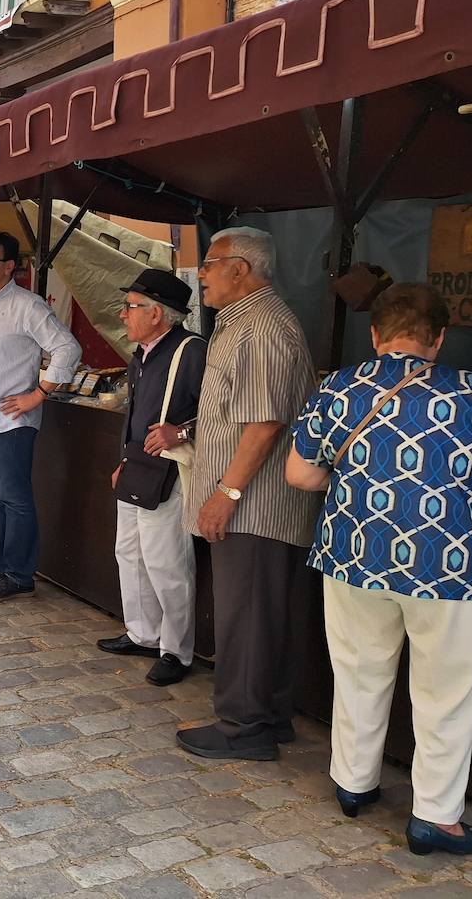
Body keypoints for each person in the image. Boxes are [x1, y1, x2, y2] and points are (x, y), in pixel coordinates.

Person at [288, 283, 472, 855]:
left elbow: (300, 475)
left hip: (354, 553)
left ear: (374, 334)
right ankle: (434, 817)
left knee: (359, 671)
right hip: (451, 566)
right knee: (445, 692)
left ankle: (353, 783)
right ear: (439, 338)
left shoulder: (337, 388)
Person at [176, 226, 319, 762]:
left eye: (210, 265)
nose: (202, 275)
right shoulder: (243, 323)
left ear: (240, 268)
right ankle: (268, 717)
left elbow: (266, 423)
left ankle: (244, 727)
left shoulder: (261, 326)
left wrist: (227, 492)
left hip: (256, 505)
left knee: (248, 616)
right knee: (263, 614)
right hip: (254, 502)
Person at [0, 232, 82, 602]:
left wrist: (39, 394)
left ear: (10, 265)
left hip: (12, 420)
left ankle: (19, 573)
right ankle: (2, 564)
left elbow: (67, 348)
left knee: (15, 498)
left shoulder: (27, 306)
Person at [99, 269, 204, 687]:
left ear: (157, 313)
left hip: (171, 470)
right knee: (129, 553)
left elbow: (219, 411)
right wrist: (124, 458)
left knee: (167, 562)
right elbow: (136, 414)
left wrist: (179, 431)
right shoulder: (143, 353)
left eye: (131, 306)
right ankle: (143, 631)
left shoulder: (191, 350)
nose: (123, 315)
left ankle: (176, 650)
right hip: (138, 467)